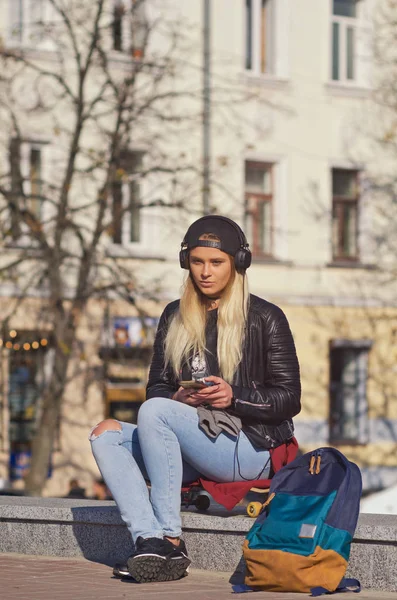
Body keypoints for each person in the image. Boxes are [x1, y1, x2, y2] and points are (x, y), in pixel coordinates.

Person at [89, 215, 301, 584]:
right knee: (105, 432)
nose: (206, 272)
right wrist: (178, 397)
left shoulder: (266, 317)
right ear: (187, 262)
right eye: (198, 262)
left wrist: (234, 396)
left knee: (155, 412)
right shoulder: (174, 315)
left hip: (249, 447)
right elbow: (156, 388)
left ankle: (172, 539)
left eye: (216, 263)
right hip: (193, 443)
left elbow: (288, 398)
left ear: (237, 264)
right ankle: (149, 539)